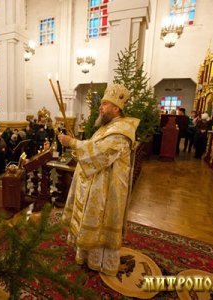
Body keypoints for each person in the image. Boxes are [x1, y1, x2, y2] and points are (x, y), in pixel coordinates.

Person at [58, 83, 139, 276]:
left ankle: (102, 262)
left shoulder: (121, 131)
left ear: (116, 108)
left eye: (104, 104)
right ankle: (86, 256)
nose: (100, 107)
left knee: (102, 225)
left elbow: (101, 153)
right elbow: (93, 146)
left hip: (108, 189)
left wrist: (73, 143)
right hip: (96, 183)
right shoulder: (107, 126)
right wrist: (77, 144)